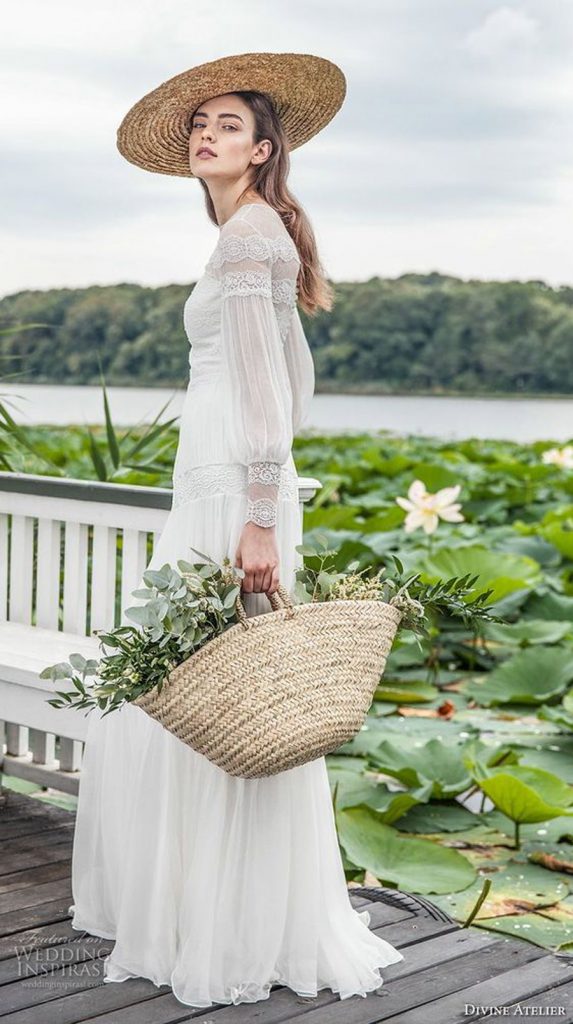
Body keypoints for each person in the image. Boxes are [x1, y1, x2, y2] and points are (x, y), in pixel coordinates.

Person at [68, 51, 404, 1008]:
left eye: (224, 124)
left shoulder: (251, 234)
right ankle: (210, 908)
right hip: (221, 481)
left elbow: (267, 388)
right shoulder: (250, 235)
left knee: (214, 692)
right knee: (205, 692)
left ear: (263, 150)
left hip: (231, 496)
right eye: (197, 125)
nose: (202, 134)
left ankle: (221, 922)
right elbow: (293, 384)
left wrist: (258, 517)